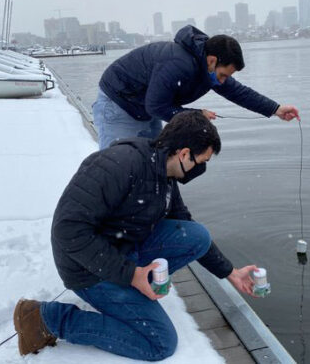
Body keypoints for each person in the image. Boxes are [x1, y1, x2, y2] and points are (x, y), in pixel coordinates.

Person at [13, 111, 259, 360]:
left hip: (123, 247)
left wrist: (229, 272)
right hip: (87, 268)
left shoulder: (164, 172)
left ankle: (136, 289)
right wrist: (131, 275)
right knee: (160, 343)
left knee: (197, 236)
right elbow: (68, 231)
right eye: (200, 162)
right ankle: (46, 318)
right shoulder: (117, 165)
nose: (200, 169)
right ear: (184, 154)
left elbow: (183, 222)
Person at [93, 25, 300, 149]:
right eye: (222, 75)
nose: (222, 81)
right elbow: (156, 107)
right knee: (115, 169)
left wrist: (276, 109)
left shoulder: (207, 69)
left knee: (153, 162)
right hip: (118, 103)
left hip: (143, 107)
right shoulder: (178, 64)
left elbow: (238, 92)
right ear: (212, 60)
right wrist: (197, 115)